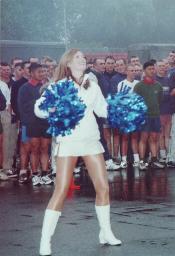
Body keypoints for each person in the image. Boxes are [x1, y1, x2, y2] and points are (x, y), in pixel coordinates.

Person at [34, 49, 121, 255]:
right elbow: (39, 108)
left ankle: (105, 232)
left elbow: (102, 109)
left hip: (91, 141)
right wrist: (51, 109)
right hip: (69, 142)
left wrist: (120, 110)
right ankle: (45, 240)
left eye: (83, 57)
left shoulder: (93, 86)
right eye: (78, 57)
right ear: (68, 63)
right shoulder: (58, 86)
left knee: (103, 187)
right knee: (61, 190)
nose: (83, 59)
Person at [18, 63, 53, 186]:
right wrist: (38, 104)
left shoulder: (47, 87)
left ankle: (45, 173)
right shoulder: (24, 88)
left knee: (44, 149)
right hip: (32, 123)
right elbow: (23, 107)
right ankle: (35, 174)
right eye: (39, 72)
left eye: (44, 72)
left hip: (45, 123)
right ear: (31, 73)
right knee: (34, 149)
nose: (42, 74)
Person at [134, 61, 165, 170]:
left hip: (155, 116)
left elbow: (160, 100)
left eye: (153, 69)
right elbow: (135, 102)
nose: (152, 71)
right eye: (149, 69)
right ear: (144, 71)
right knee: (143, 138)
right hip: (144, 117)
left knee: (154, 138)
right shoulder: (139, 86)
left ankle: (154, 160)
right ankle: (142, 161)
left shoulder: (158, 85)